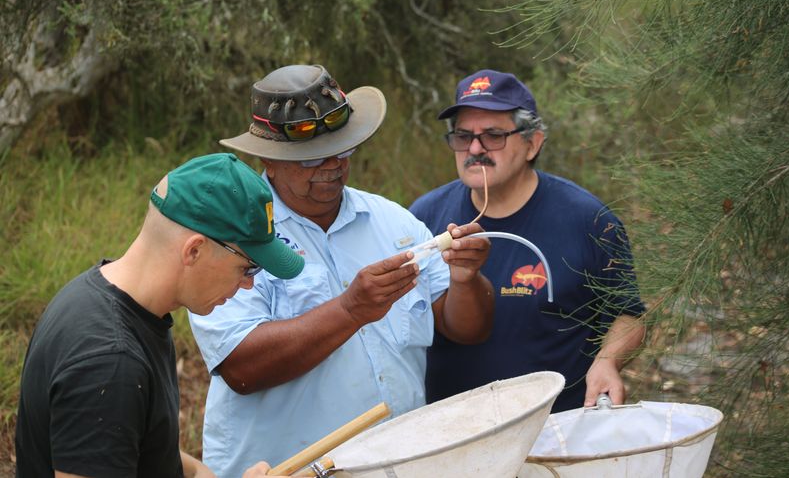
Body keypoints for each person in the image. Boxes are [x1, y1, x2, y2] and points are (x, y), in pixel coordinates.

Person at [188, 64, 494, 477]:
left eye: (344, 149)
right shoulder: (229, 236)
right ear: (269, 160)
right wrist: (350, 310)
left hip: (397, 465)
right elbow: (241, 367)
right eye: (312, 157)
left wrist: (466, 279)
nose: (333, 165)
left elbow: (466, 328)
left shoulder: (395, 224)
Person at [15, 153, 301, 478]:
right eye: (248, 266)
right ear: (194, 250)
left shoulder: (106, 298)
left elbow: (150, 451)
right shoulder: (110, 362)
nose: (249, 284)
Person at [410, 69, 646, 413]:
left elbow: (629, 315)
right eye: (463, 136)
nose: (475, 148)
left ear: (532, 142)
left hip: (555, 431)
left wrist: (608, 361)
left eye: (493, 135)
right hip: (452, 432)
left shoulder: (589, 221)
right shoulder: (423, 218)